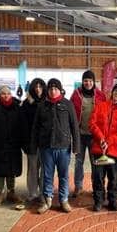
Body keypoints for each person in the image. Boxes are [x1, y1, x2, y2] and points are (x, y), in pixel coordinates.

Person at [31, 78, 80, 214]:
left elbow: (74, 126)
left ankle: (64, 200)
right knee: (47, 175)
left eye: (55, 89)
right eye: (51, 89)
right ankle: (48, 200)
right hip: (46, 147)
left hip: (63, 147)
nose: (53, 91)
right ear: (48, 90)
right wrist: (34, 146)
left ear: (60, 90)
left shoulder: (68, 104)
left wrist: (76, 146)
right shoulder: (42, 106)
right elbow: (35, 127)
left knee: (63, 175)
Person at [89, 84, 117, 211]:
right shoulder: (100, 106)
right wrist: (101, 138)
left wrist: (109, 141)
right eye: (116, 91)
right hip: (98, 148)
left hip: (113, 150)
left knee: (114, 177)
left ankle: (112, 200)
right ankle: (98, 201)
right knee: (98, 177)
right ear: (112, 93)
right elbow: (92, 123)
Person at [70, 70, 106, 198]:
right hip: (79, 134)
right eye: (85, 80)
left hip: (94, 135)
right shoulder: (76, 95)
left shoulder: (101, 96)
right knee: (78, 162)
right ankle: (78, 186)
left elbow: (104, 116)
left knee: (94, 161)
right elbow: (71, 113)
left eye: (90, 80)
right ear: (82, 81)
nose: (88, 83)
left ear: (94, 81)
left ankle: (96, 186)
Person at [21, 78, 46, 204]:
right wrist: (25, 143)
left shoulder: (47, 102)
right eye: (36, 87)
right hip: (31, 143)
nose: (38, 89)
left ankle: (43, 193)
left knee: (45, 169)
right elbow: (22, 126)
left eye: (40, 87)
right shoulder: (26, 104)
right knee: (32, 169)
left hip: (45, 144)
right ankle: (32, 193)